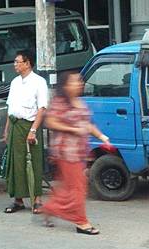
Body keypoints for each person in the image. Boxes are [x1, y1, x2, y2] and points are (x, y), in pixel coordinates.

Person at [37, 72, 111, 235]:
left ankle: (50, 208)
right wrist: (72, 129)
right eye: (74, 81)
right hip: (66, 152)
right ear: (65, 86)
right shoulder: (60, 103)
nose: (79, 83)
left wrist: (102, 137)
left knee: (71, 188)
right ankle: (81, 222)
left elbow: (87, 125)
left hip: (79, 151)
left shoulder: (79, 102)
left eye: (79, 81)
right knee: (78, 188)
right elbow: (50, 122)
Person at [4, 50, 48, 214]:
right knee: (16, 163)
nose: (15, 65)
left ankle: (37, 199)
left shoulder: (39, 82)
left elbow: (42, 108)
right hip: (16, 125)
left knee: (33, 162)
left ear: (27, 63)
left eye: (18, 62)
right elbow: (11, 107)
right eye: (15, 62)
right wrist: (7, 129)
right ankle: (18, 199)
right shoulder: (15, 82)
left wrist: (33, 130)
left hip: (29, 125)